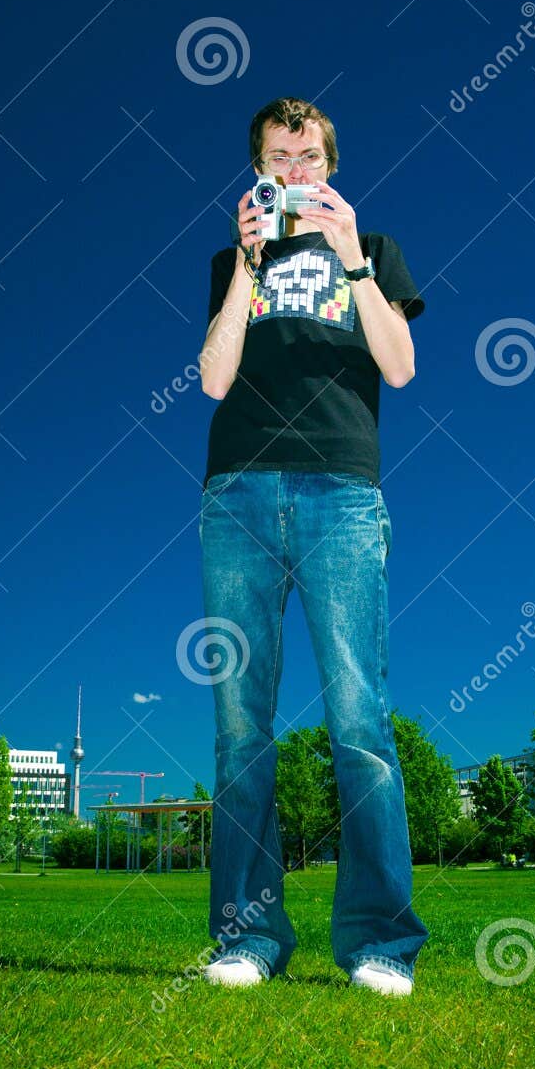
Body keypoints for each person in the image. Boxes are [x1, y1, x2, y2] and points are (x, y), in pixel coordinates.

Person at [196, 97, 429, 999]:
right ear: (256, 168)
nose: (292, 172)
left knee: (360, 724)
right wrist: (248, 266)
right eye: (275, 157)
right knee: (240, 729)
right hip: (239, 495)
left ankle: (379, 944)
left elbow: (401, 367)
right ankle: (249, 940)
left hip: (342, 493)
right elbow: (214, 377)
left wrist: (354, 259)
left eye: (306, 157)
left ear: (327, 168)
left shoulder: (373, 250)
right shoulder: (234, 260)